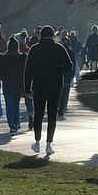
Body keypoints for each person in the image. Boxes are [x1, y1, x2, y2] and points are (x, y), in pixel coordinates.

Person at [24, 25, 74, 155]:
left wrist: (27, 88)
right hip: (55, 85)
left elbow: (28, 70)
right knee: (52, 114)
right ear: (53, 35)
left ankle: (37, 142)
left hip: (39, 84)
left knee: (38, 114)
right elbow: (69, 65)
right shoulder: (59, 48)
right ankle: (49, 144)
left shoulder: (34, 49)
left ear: (40, 35)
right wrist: (59, 70)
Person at [0, 37, 26, 133]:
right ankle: (17, 122)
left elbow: (0, 72)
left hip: (7, 83)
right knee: (16, 104)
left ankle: (12, 124)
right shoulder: (21, 58)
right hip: (18, 83)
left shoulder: (3, 58)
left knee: (9, 104)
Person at [57, 36, 77, 118]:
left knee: (62, 94)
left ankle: (61, 109)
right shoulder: (68, 51)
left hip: (65, 76)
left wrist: (71, 75)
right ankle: (60, 109)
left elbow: (72, 65)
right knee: (62, 94)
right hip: (62, 77)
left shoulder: (67, 52)